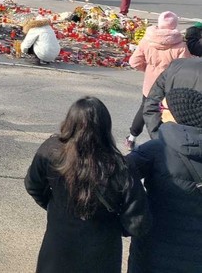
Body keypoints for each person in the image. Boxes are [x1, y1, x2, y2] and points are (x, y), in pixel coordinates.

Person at [25, 97, 150, 273]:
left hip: (56, 250)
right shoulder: (121, 166)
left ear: (69, 122)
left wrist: (55, 207)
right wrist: (113, 228)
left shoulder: (51, 150)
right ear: (106, 127)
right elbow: (138, 221)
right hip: (102, 256)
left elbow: (33, 185)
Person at [127, 86, 202, 272]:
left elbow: (116, 177)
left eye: (163, 109)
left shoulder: (155, 150)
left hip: (153, 249)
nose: (159, 113)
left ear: (177, 114)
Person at [124, 10, 188, 151]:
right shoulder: (180, 45)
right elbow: (185, 67)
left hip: (150, 84)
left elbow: (134, 61)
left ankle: (131, 137)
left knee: (144, 109)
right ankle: (162, 142)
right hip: (169, 85)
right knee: (166, 112)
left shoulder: (148, 40)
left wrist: (147, 69)